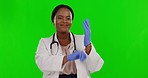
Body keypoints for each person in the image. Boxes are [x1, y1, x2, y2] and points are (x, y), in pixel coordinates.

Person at [35, 4, 104, 78]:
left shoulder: (82, 40)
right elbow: (42, 63)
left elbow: (96, 67)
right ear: (53, 21)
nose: (64, 21)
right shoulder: (45, 42)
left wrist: (88, 46)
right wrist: (67, 58)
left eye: (68, 18)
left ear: (71, 21)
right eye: (60, 18)